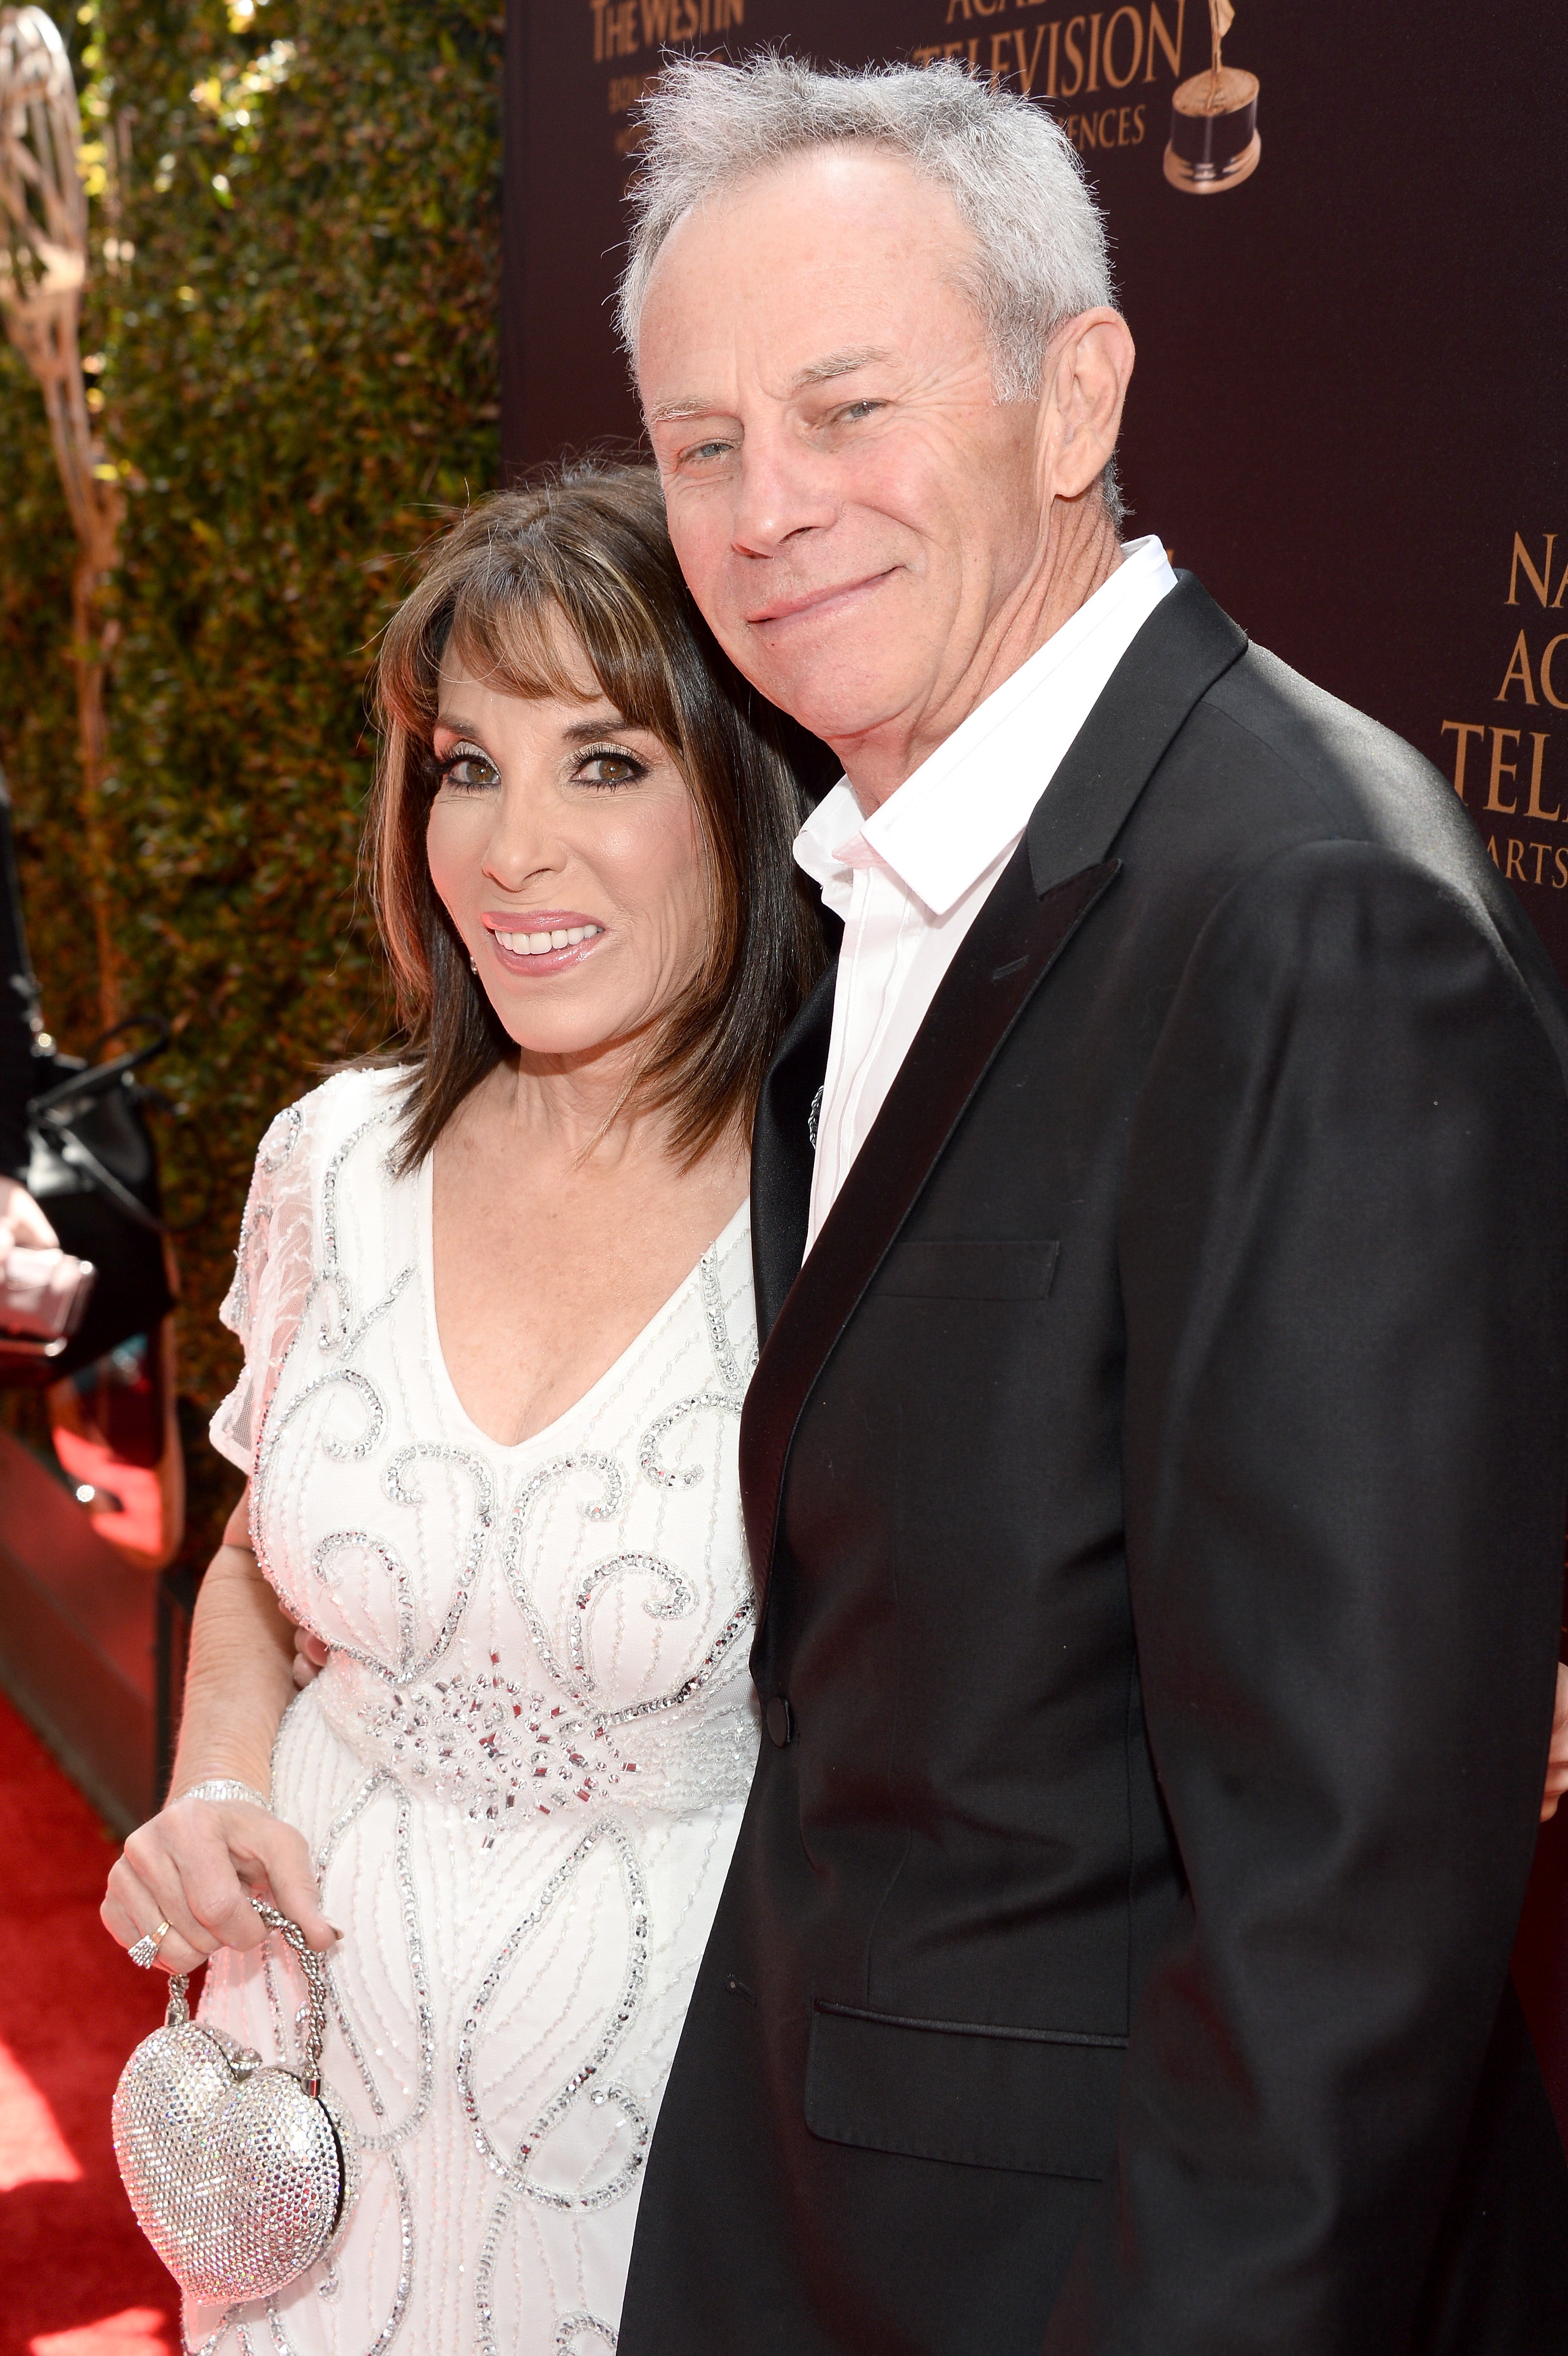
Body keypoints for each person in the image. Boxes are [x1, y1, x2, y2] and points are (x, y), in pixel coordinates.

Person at [612, 56, 1568, 2355]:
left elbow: (1337, 1912)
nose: (767, 510)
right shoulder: (883, 877)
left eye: (847, 409)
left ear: (1077, 393)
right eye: (703, 443)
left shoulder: (1312, 916)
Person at [100, 464, 823, 2353]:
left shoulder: (862, 1215)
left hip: (662, 2149)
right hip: (303, 2108)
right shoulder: (335, 1164)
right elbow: (258, 1566)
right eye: (461, 765)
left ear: (742, 793)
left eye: (605, 762)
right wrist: (215, 1785)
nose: (511, 848)